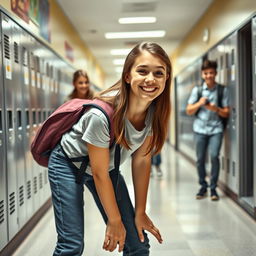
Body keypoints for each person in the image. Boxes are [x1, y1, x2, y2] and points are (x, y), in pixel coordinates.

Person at [48, 42, 172, 255]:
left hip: (107, 168)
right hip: (68, 164)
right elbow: (98, 173)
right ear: (127, 76)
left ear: (166, 78)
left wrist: (140, 212)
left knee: (138, 245)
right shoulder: (101, 116)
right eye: (142, 71)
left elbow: (141, 161)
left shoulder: (153, 114)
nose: (151, 79)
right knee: (71, 245)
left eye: (158, 73)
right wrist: (114, 220)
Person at [186, 60, 230, 201]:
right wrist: (199, 103)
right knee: (199, 159)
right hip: (200, 129)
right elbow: (189, 111)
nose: (209, 75)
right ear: (202, 74)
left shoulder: (223, 90)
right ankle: (203, 186)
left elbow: (226, 113)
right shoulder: (197, 91)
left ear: (216, 73)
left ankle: (213, 188)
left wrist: (215, 108)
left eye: (211, 72)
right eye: (206, 73)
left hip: (216, 129)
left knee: (214, 156)